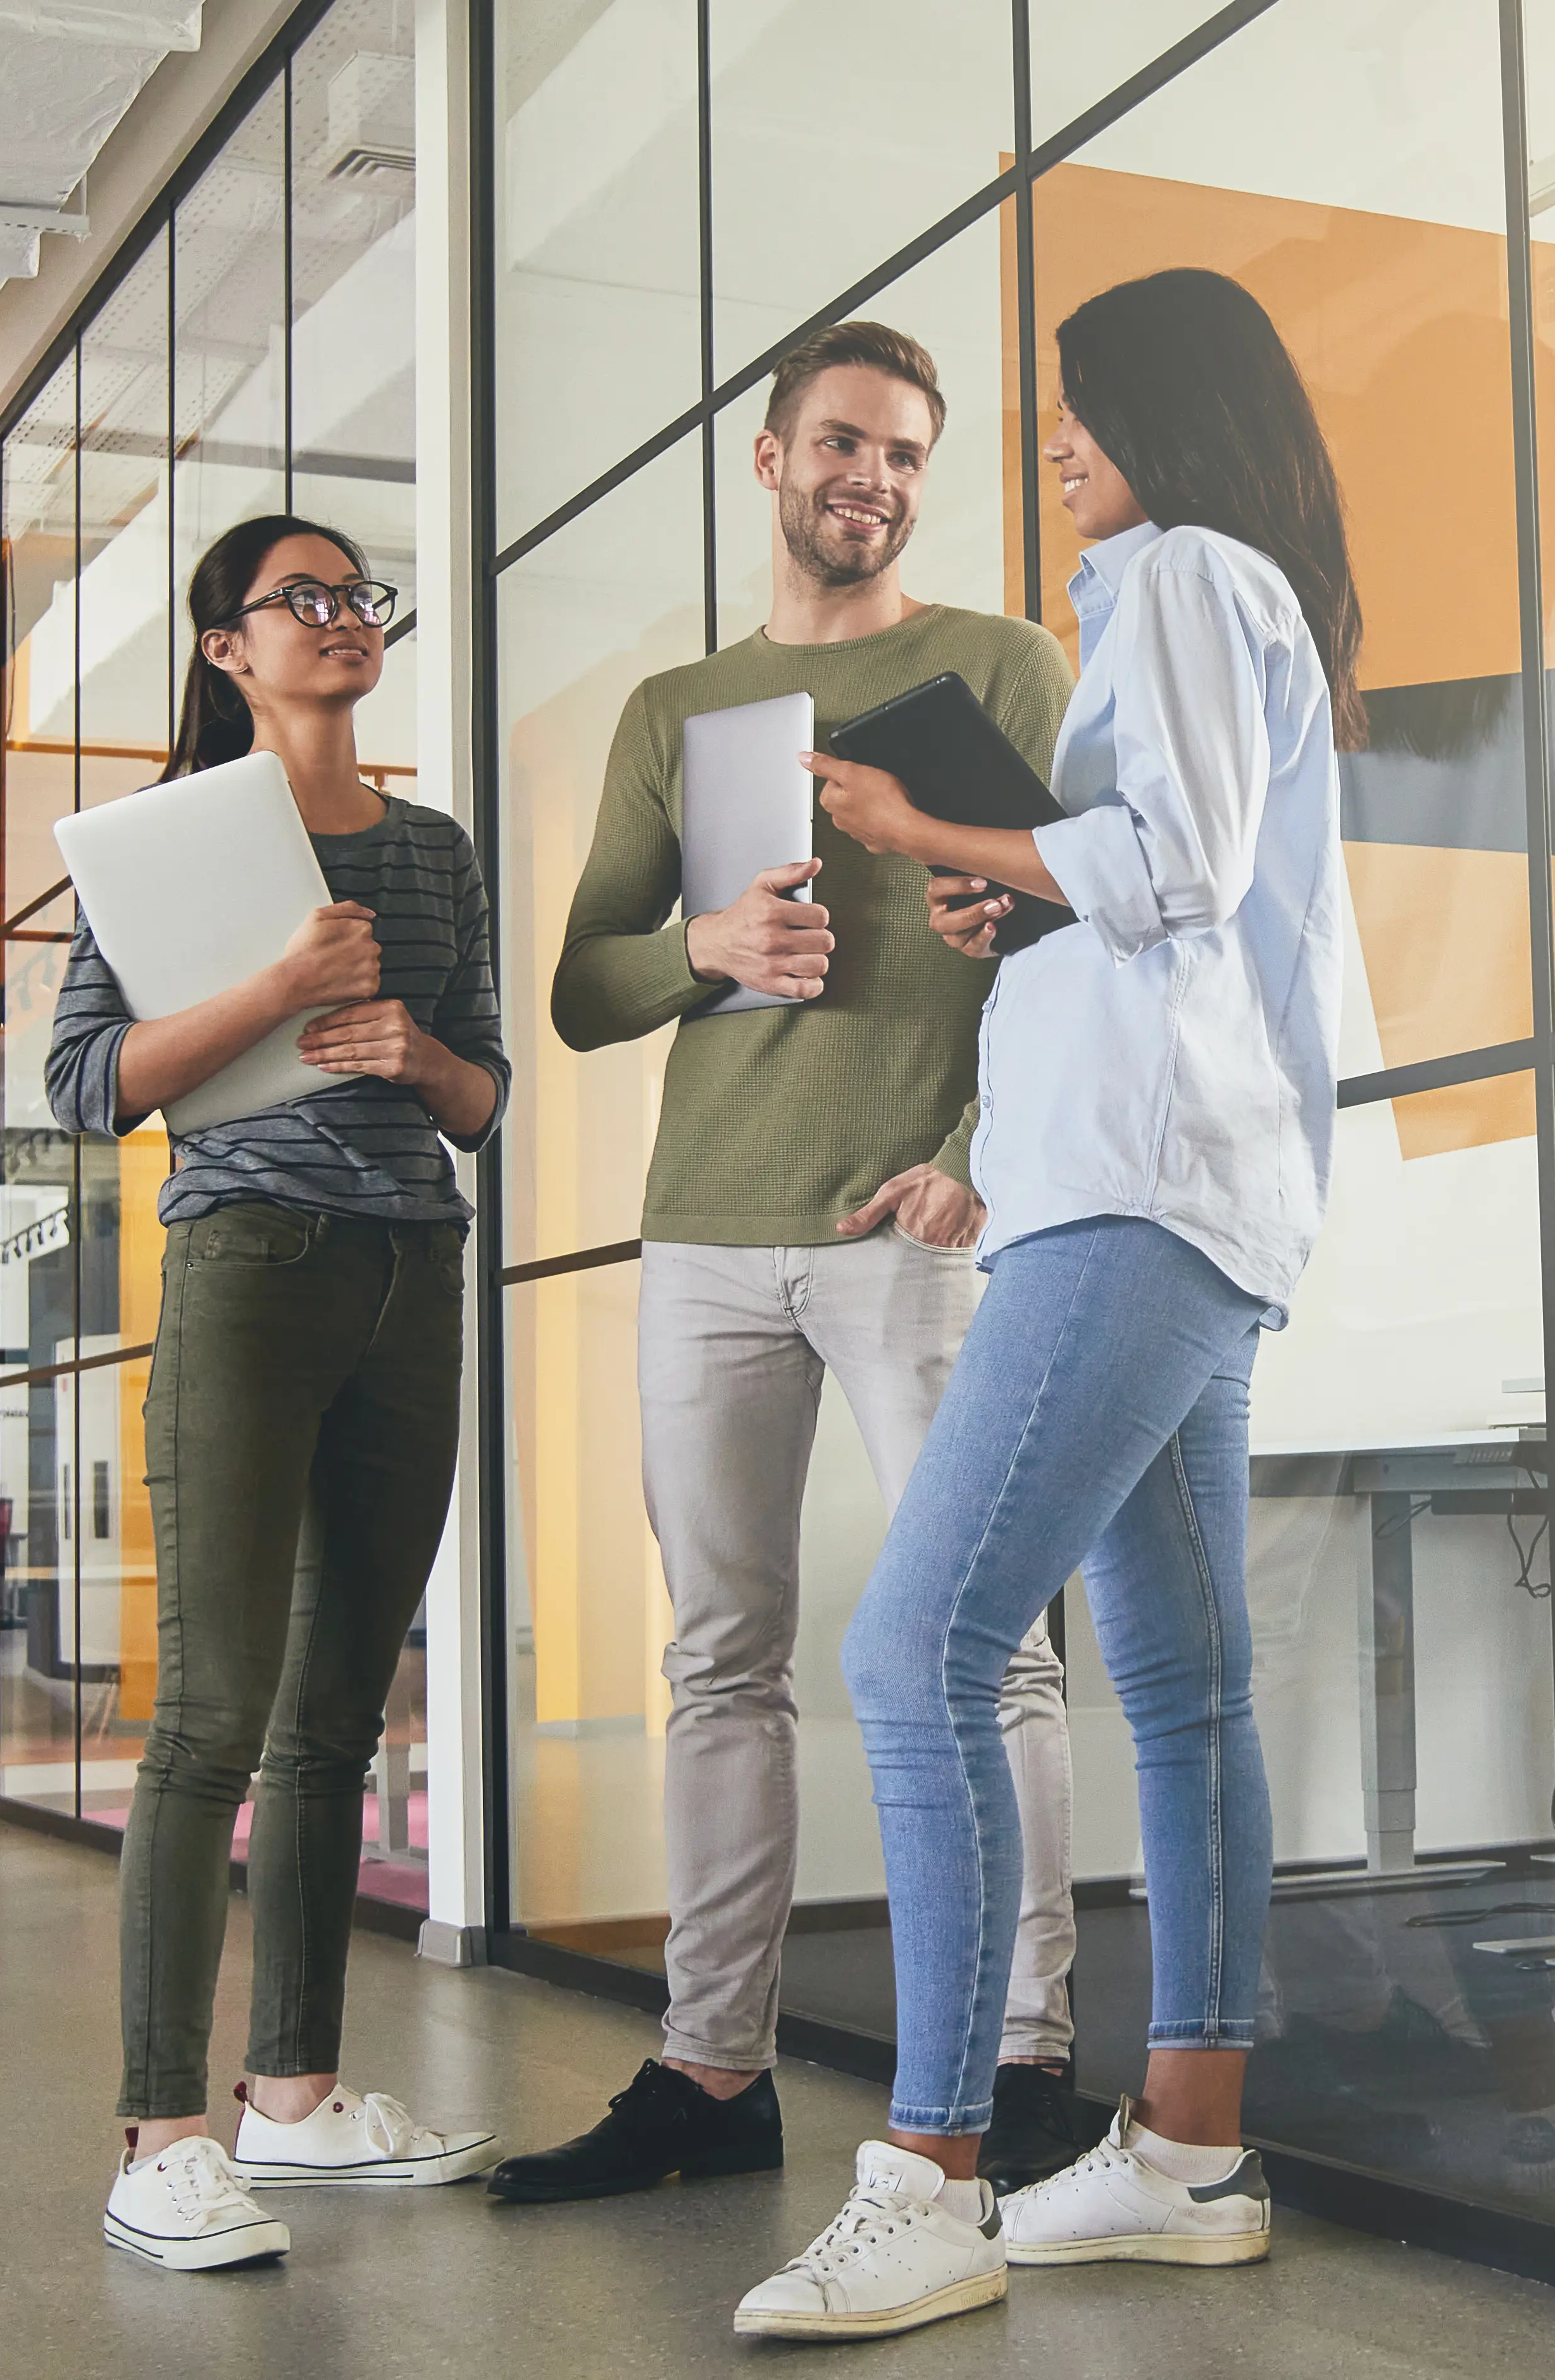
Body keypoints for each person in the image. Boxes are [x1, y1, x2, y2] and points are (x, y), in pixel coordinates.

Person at [733, 266, 1359, 2342]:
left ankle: (926, 2171)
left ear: (1157, 414)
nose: (1054, 446)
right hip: (1195, 1184)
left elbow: (1171, 860)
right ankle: (1186, 2147)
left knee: (918, 1653)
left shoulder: (1175, 571)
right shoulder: (1239, 596)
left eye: (1071, 410)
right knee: (1179, 1690)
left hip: (1141, 1199)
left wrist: (921, 821)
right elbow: (1164, 887)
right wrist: (1025, 882)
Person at [501, 320, 1109, 2210]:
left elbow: (1091, 925)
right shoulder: (682, 708)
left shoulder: (999, 660)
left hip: (906, 1227)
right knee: (719, 1661)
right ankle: (709, 2073)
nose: (878, 477)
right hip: (703, 1229)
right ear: (767, 460)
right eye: (844, 442)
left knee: (986, 1653)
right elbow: (582, 991)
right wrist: (707, 950)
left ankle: (1021, 2063)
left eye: (909, 454)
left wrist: (967, 1166)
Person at [47, 514, 513, 2272]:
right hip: (249, 1266)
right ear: (226, 647)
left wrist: (417, 1050)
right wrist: (280, 986)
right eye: (299, 600)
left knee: (340, 1719)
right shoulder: (162, 849)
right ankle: (159, 2132)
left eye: (355, 597)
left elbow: (482, 1099)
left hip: (413, 1272)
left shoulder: (437, 853)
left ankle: (295, 2103)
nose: (341, 620)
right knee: (213, 1715)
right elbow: (87, 1083)